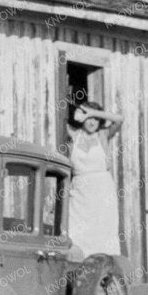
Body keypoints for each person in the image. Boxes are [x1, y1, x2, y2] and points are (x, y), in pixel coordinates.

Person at [65, 100, 124, 258]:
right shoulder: (73, 135)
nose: (92, 122)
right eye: (88, 118)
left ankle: (104, 274)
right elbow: (61, 114)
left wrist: (93, 112)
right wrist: (80, 113)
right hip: (79, 194)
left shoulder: (103, 135)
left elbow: (119, 119)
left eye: (96, 119)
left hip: (102, 193)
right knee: (76, 234)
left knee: (103, 235)